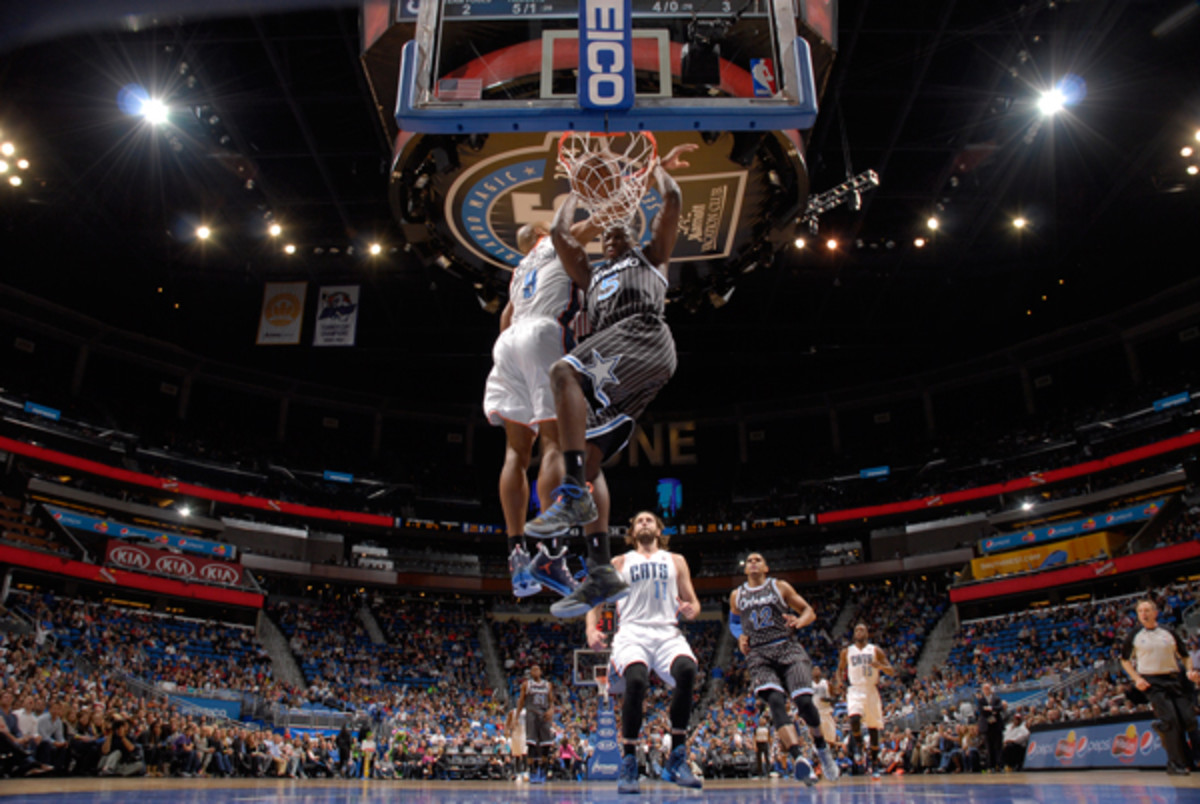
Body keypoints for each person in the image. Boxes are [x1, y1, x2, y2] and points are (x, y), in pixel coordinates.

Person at [524, 145, 694, 619]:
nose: (615, 233)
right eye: (611, 231)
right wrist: (574, 191)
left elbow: (673, 200)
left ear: (635, 236)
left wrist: (657, 169)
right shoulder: (592, 275)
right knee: (590, 462)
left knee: (563, 371)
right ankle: (599, 570)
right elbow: (560, 234)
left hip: (643, 336)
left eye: (623, 229)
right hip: (617, 375)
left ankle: (572, 496)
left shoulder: (652, 258)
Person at [485, 217, 603, 599]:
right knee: (555, 444)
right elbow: (599, 220)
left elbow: (505, 319)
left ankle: (517, 553)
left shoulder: (519, 270)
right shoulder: (554, 243)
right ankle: (551, 554)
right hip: (542, 333)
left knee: (516, 453)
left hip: (508, 345)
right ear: (542, 231)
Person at [584, 510, 702, 794]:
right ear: (633, 532)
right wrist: (591, 630)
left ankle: (676, 756)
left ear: (659, 530)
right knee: (636, 680)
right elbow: (595, 597)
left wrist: (691, 609)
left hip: (667, 632)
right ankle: (628, 761)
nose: (645, 523)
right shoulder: (620, 562)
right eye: (639, 521)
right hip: (633, 633)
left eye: (650, 520)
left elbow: (694, 603)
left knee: (687, 670)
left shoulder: (676, 561)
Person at [729, 552, 837, 784]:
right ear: (745, 569)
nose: (753, 562)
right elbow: (734, 622)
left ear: (766, 567)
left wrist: (800, 621)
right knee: (775, 702)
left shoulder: (779, 587)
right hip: (759, 653)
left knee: (804, 703)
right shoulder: (737, 595)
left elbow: (808, 610)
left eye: (758, 559)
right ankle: (800, 758)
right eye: (749, 561)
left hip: (786, 647)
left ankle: (821, 747)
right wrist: (739, 637)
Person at [1119, 597, 1200, 776]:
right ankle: (1175, 764)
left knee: (1188, 720)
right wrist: (1136, 678)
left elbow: (1185, 656)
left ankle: (1186, 755)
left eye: (1147, 610)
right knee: (1171, 721)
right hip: (1152, 682)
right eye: (1140, 611)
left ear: (1156, 613)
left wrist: (1189, 671)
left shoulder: (1168, 631)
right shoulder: (1134, 635)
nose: (1144, 614)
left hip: (1173, 678)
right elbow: (1124, 660)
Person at [834, 622, 895, 778]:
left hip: (871, 690)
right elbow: (840, 670)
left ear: (867, 633)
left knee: (874, 729)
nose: (859, 631)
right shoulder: (847, 651)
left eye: (862, 629)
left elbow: (892, 671)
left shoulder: (875, 650)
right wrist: (840, 682)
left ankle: (874, 763)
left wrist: (880, 666)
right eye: (857, 629)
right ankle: (859, 747)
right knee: (854, 718)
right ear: (854, 634)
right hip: (855, 689)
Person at [516, 664, 554, 784]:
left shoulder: (547, 685)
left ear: (541, 672)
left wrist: (551, 710)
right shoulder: (527, 685)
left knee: (546, 745)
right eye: (533, 670)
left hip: (544, 714)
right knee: (531, 744)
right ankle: (532, 770)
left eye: (538, 669)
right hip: (531, 714)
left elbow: (551, 702)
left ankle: (543, 770)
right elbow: (521, 701)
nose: (536, 671)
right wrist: (516, 716)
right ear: (531, 673)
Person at [974, 681, 1005, 771]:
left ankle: (1000, 765)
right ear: (983, 690)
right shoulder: (981, 700)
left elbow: (1000, 708)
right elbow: (982, 711)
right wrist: (992, 712)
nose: (987, 690)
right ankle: (990, 766)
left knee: (998, 746)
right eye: (985, 689)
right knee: (989, 747)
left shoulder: (996, 698)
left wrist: (990, 708)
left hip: (996, 725)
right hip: (987, 726)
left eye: (988, 688)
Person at [505, 705, 528, 782]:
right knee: (517, 755)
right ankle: (518, 774)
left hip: (524, 734)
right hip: (515, 735)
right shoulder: (512, 712)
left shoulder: (526, 712)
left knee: (524, 753)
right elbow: (508, 724)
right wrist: (508, 728)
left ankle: (525, 772)